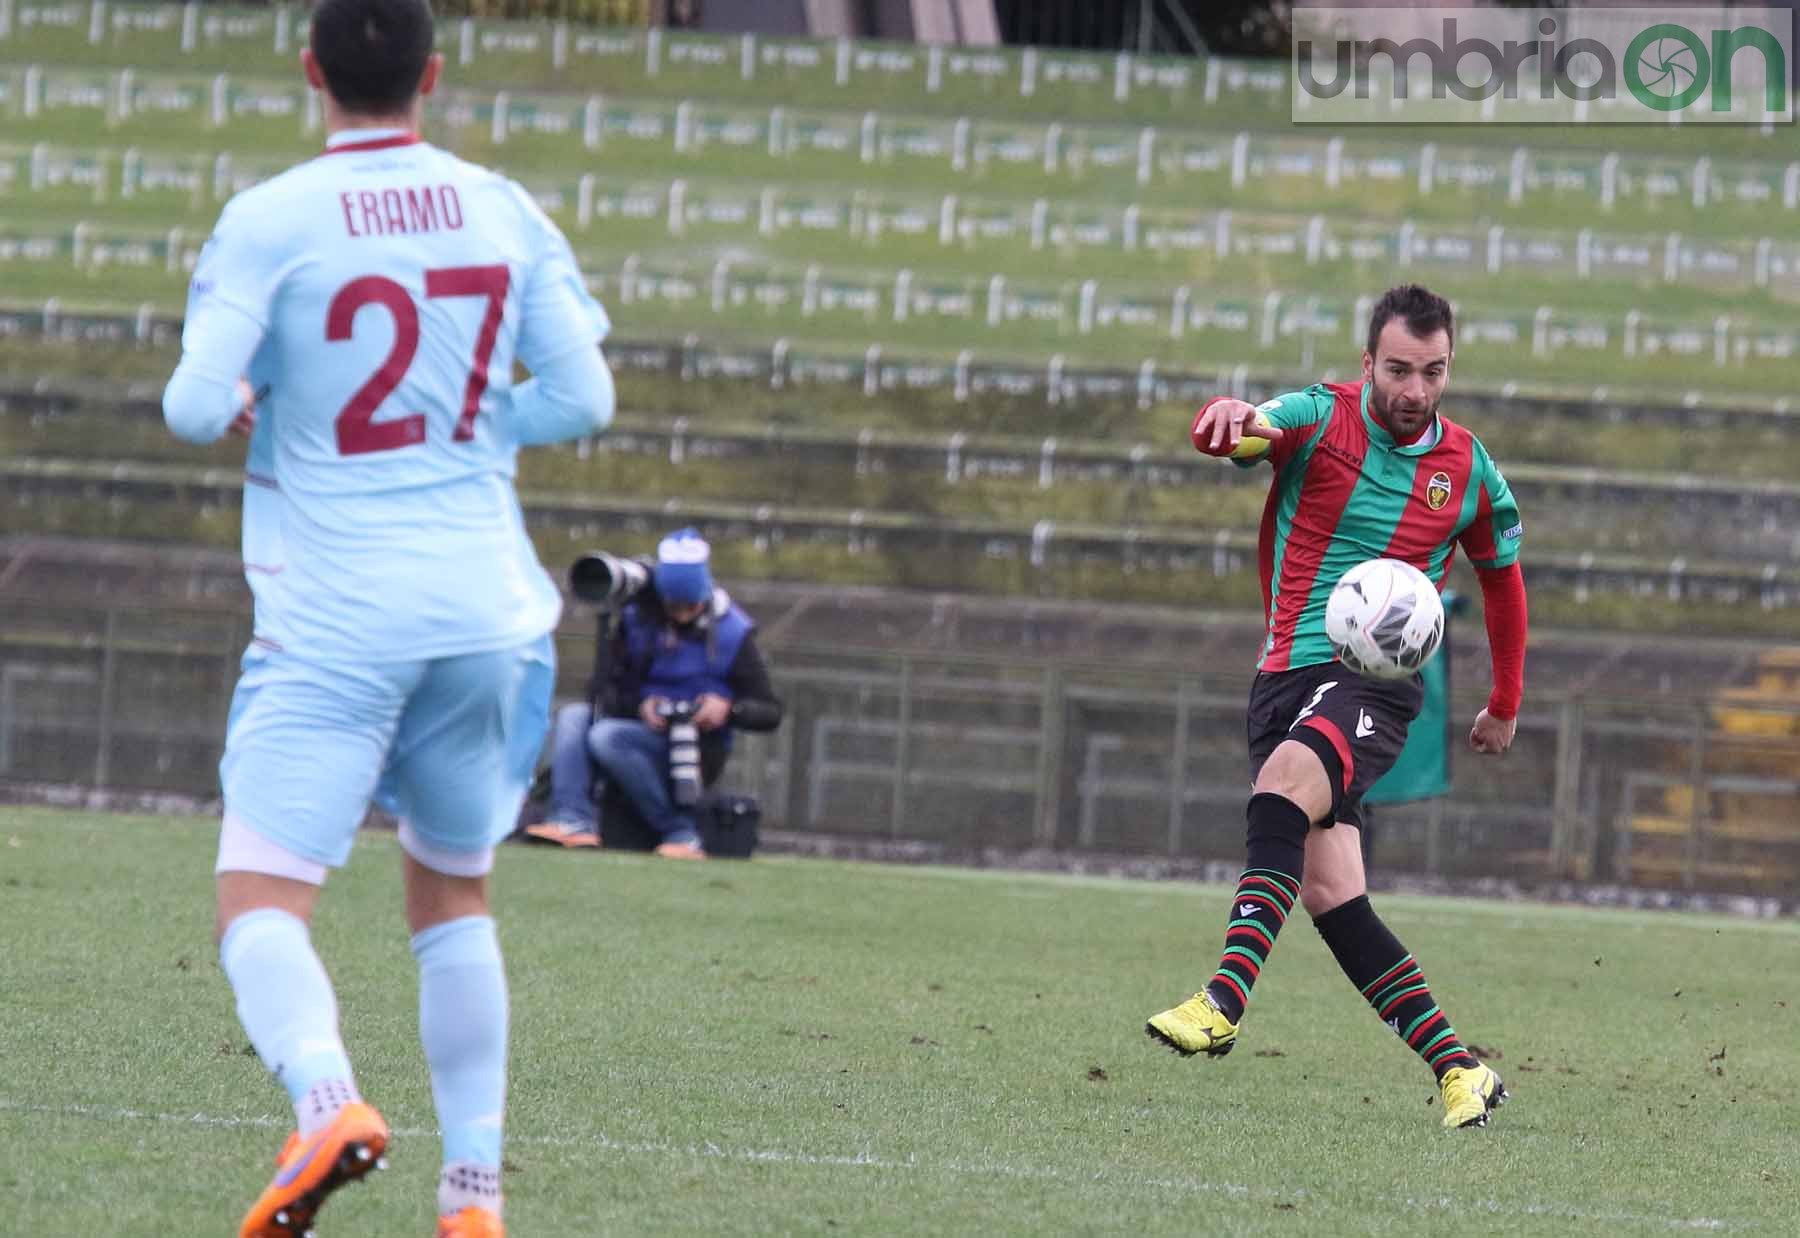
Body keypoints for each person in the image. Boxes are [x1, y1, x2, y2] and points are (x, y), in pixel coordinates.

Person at [160, 1, 615, 1233]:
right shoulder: (503, 207)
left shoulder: (270, 219)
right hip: (491, 614)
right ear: (434, 73)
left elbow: (197, 408)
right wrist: (468, 427)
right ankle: (471, 1191)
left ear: (311, 71)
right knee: (452, 897)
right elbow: (584, 392)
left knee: (258, 894)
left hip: (340, 612)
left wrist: (266, 390)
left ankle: (326, 1103)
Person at [1144, 283, 1527, 1131]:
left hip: (1376, 682)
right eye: (1398, 369)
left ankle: (1221, 1002)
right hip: (1282, 677)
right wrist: (1225, 417)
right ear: (1368, 363)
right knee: (1332, 896)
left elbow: (1501, 578)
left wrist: (1503, 700)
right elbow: (1252, 428)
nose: (1415, 390)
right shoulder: (1320, 417)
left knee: (1281, 791)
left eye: (1433, 372)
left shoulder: (1467, 467)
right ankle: (1462, 1071)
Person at [527, 528, 783, 857]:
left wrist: (728, 710)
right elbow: (604, 692)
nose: (680, 615)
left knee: (607, 736)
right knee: (575, 716)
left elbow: (769, 711)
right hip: (639, 728)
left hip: (696, 747)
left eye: (690, 606)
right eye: (673, 605)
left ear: (704, 598)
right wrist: (642, 706)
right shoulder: (638, 621)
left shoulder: (733, 632)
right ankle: (572, 818)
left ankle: (680, 830)